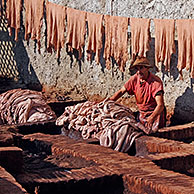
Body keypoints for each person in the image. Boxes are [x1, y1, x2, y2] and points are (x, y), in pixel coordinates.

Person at [109, 57, 166, 134]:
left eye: (141, 68)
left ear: (147, 68)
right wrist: (108, 102)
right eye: (137, 69)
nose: (139, 71)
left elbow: (160, 105)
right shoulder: (135, 79)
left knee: (151, 132)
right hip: (142, 114)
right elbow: (121, 91)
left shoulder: (156, 82)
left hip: (154, 114)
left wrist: (151, 118)